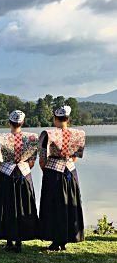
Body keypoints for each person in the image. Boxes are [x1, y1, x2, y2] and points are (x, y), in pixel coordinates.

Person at [0, 111, 39, 253]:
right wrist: (23, 167)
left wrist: (3, 169)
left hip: (6, 174)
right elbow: (32, 161)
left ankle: (9, 240)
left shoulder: (1, 137)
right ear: (22, 122)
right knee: (23, 206)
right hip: (23, 174)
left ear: (9, 122)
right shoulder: (32, 137)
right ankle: (19, 240)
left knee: (7, 207)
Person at [39, 105, 85, 251]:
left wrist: (46, 171)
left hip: (53, 172)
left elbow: (42, 159)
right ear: (68, 118)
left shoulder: (48, 134)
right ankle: (65, 239)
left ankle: (55, 241)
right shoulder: (79, 134)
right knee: (69, 204)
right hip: (71, 171)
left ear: (55, 118)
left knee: (53, 205)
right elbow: (75, 157)